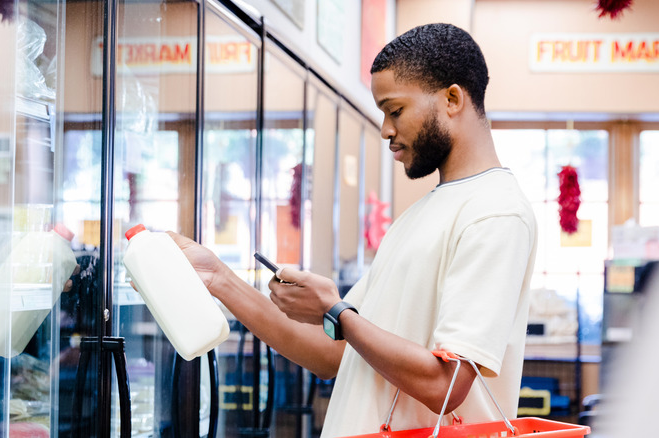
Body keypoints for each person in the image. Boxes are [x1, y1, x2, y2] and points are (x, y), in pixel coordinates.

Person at [168, 23, 537, 438]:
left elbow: (444, 384)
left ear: (452, 99)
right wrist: (217, 277)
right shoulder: (422, 214)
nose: (386, 131)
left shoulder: (495, 213)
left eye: (395, 110)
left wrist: (336, 311)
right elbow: (332, 354)